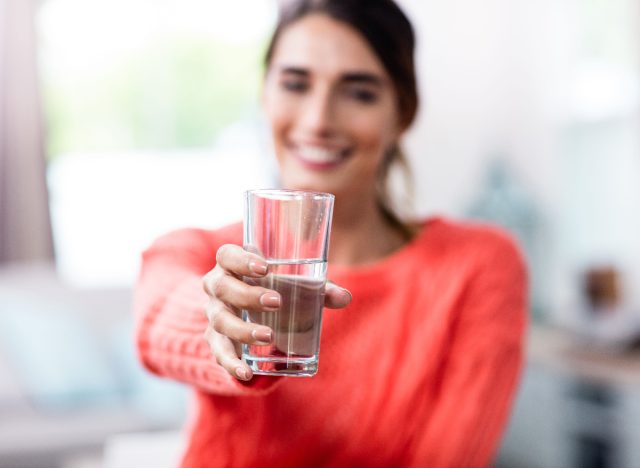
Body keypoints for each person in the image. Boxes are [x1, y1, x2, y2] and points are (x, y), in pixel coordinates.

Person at [134, 0, 528, 466]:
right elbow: (158, 318)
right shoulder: (202, 254)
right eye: (295, 84)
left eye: (359, 93)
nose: (319, 120)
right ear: (264, 96)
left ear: (401, 114)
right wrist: (221, 319)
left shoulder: (477, 265)